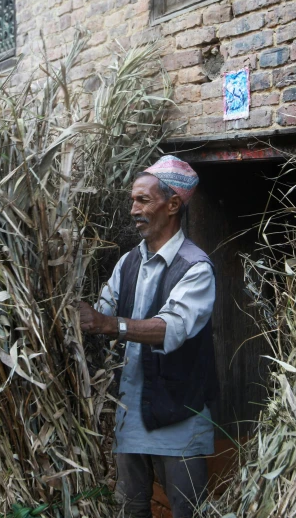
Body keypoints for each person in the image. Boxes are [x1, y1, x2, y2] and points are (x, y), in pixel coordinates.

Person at [78, 155, 218, 518]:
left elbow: (172, 327)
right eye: (132, 200)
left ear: (172, 205)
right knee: (131, 507)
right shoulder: (128, 263)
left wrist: (109, 325)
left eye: (143, 200)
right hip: (131, 411)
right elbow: (101, 309)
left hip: (178, 413)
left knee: (188, 510)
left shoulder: (196, 267)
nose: (133, 209)